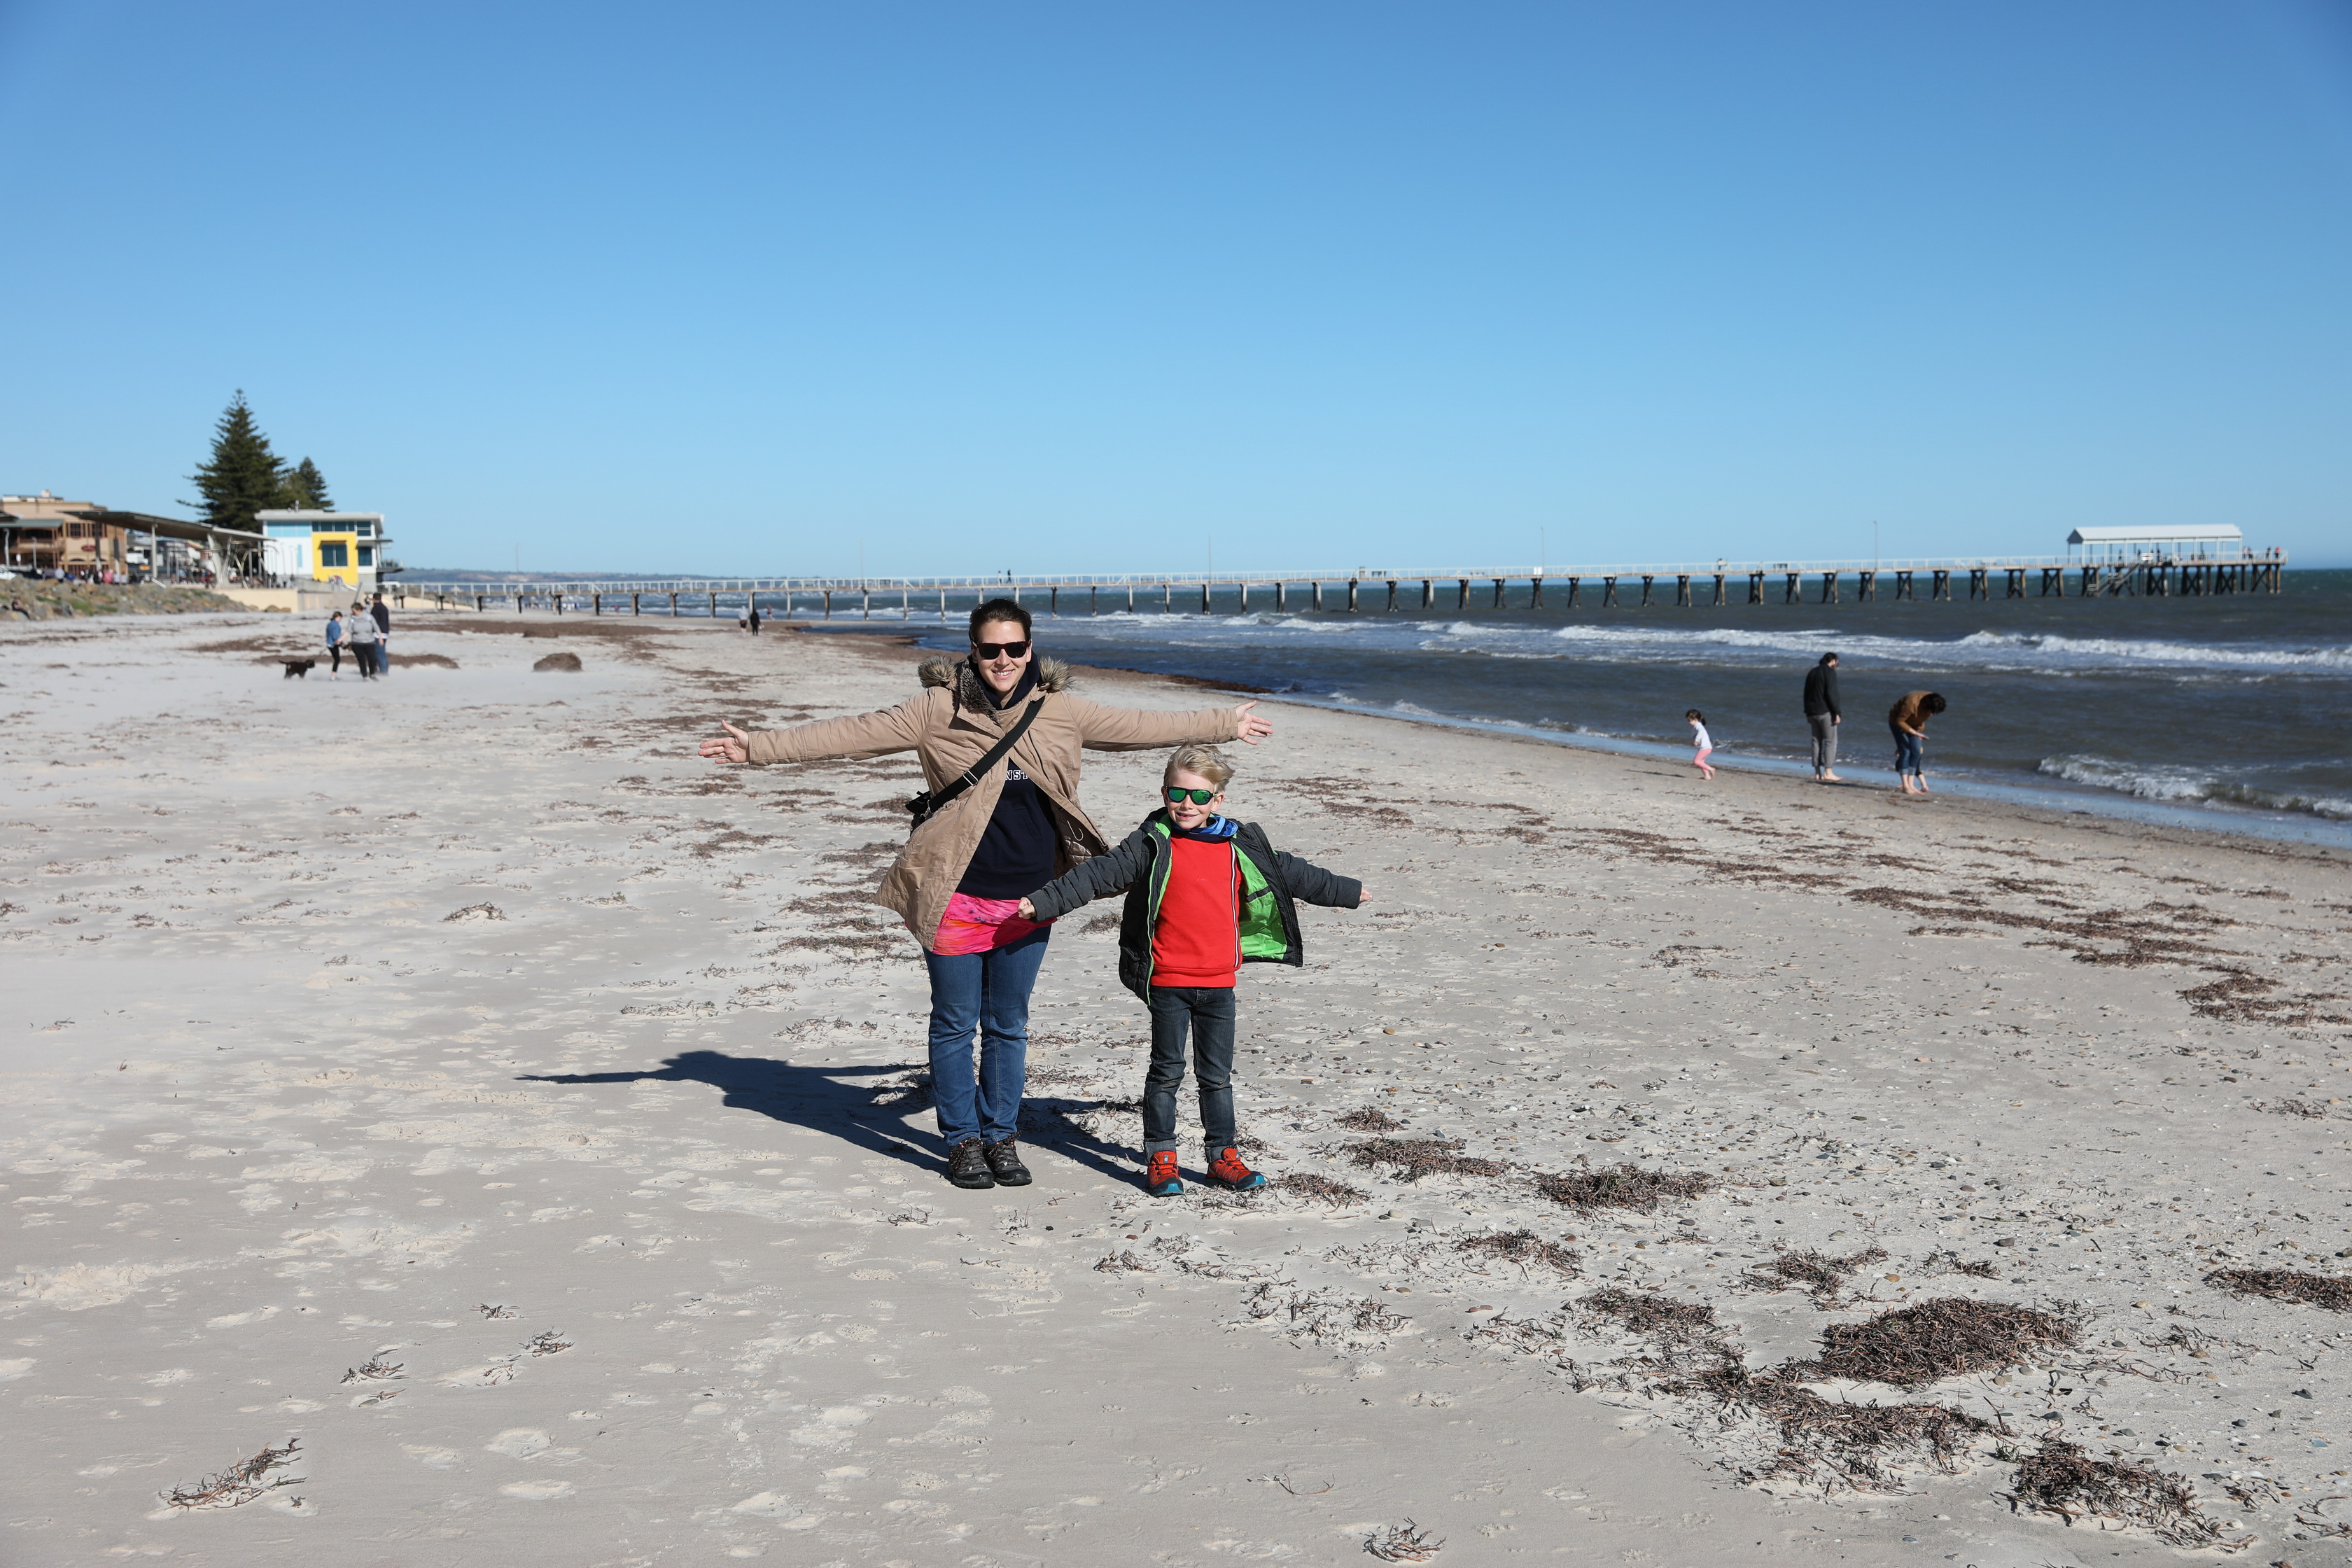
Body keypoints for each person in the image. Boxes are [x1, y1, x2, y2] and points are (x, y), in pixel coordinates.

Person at [697, 598, 1274, 1191]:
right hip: (954, 895)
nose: (1004, 660)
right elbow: (852, 734)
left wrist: (1223, 724)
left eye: (1015, 649)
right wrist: (758, 748)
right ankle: (961, 1141)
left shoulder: (1061, 712)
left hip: (1030, 900)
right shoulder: (935, 710)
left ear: (1031, 651)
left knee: (1007, 1024)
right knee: (954, 1023)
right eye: (991, 649)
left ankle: (1000, 1136)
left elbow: (1142, 727)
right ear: (973, 651)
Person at [1016, 746, 1365, 1196]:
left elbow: (1295, 875)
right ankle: (1161, 1158)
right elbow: (1096, 876)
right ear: (1164, 793)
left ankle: (1223, 1157)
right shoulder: (1151, 844)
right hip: (1168, 982)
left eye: (1199, 796)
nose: (1187, 804)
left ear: (1217, 800)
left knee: (1216, 1077)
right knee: (1166, 1072)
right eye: (1177, 792)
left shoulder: (1240, 845)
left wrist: (1350, 892)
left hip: (1219, 983)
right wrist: (1043, 902)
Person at [1889, 690, 1946, 795]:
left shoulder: (1932, 704)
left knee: (1916, 752)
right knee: (1906, 752)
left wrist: (1917, 734)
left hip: (1915, 726)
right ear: (1926, 706)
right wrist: (1914, 734)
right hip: (1898, 722)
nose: (1931, 714)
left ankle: (1911, 785)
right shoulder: (1912, 703)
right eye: (1931, 711)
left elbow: (1920, 722)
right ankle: (1905, 786)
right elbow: (1900, 721)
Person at [1802, 652, 1843, 782]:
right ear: (1834, 661)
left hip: (1812, 711)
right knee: (1831, 741)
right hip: (1825, 711)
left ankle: (1817, 772)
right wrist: (1837, 712)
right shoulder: (1829, 673)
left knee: (1816, 741)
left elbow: (1806, 694)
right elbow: (1831, 693)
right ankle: (1828, 771)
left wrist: (1807, 713)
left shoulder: (1812, 672)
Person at [344, 601, 379, 678]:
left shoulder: (369, 617)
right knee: (362, 660)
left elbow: (376, 627)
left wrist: (380, 638)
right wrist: (340, 640)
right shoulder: (352, 619)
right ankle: (364, 676)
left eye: (354, 611)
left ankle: (372, 674)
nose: (353, 613)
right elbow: (348, 631)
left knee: (372, 658)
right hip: (357, 643)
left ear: (359, 610)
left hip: (369, 642)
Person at [1686, 709, 1716, 780]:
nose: (1689, 723)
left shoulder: (1698, 726)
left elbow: (1701, 732)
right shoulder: (1696, 727)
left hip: (1705, 748)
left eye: (1690, 721)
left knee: (1696, 761)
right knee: (1701, 762)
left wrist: (1696, 741)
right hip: (1706, 748)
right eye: (1688, 721)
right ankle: (1707, 776)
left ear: (1696, 720)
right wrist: (1693, 742)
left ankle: (1711, 769)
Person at [370, 594, 392, 675]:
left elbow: (373, 621)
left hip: (378, 633)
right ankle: (382, 669)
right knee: (381, 652)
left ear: (374, 599)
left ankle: (383, 671)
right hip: (385, 632)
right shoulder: (384, 608)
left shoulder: (376, 608)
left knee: (379, 652)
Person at [326, 610, 346, 677]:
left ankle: (334, 675)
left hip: (329, 644)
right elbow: (336, 636)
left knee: (336, 659)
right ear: (338, 617)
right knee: (337, 660)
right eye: (341, 619)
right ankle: (333, 676)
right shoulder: (336, 625)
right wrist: (342, 644)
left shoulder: (329, 624)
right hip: (334, 645)